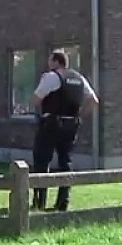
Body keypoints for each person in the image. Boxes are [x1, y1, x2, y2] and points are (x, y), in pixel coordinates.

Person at [31, 51, 99, 211]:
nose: (49, 65)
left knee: (41, 160)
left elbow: (36, 98)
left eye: (50, 61)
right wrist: (80, 114)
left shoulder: (52, 77)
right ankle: (63, 202)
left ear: (56, 61)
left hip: (52, 123)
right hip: (71, 124)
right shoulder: (79, 78)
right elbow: (94, 101)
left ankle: (39, 202)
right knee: (65, 162)